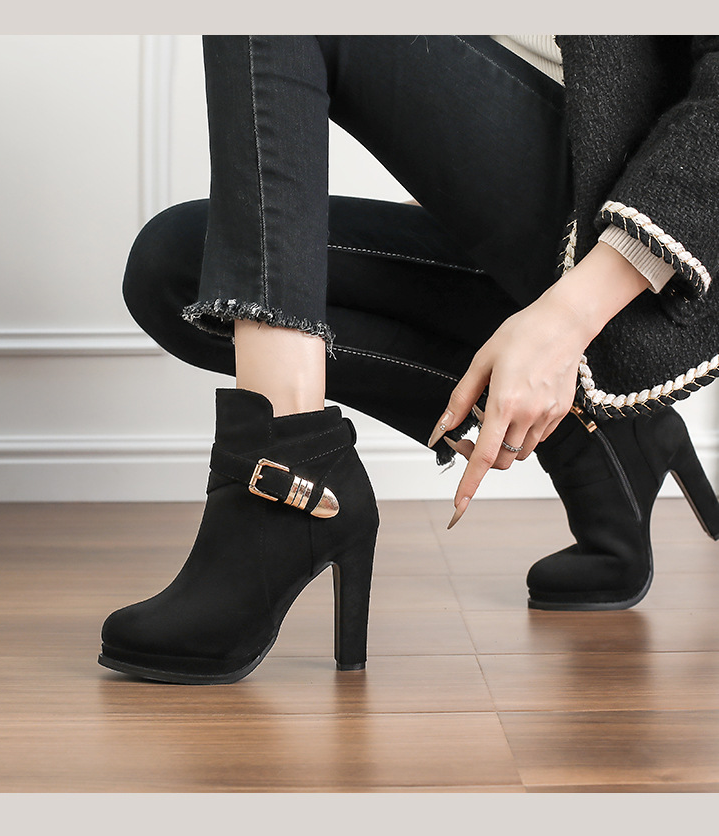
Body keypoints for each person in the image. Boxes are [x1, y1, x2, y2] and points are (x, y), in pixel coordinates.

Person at [98, 35, 719, 684]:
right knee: (180, 269)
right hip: (527, 208)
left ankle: (285, 473)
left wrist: (566, 321)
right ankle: (590, 436)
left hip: (647, 228)